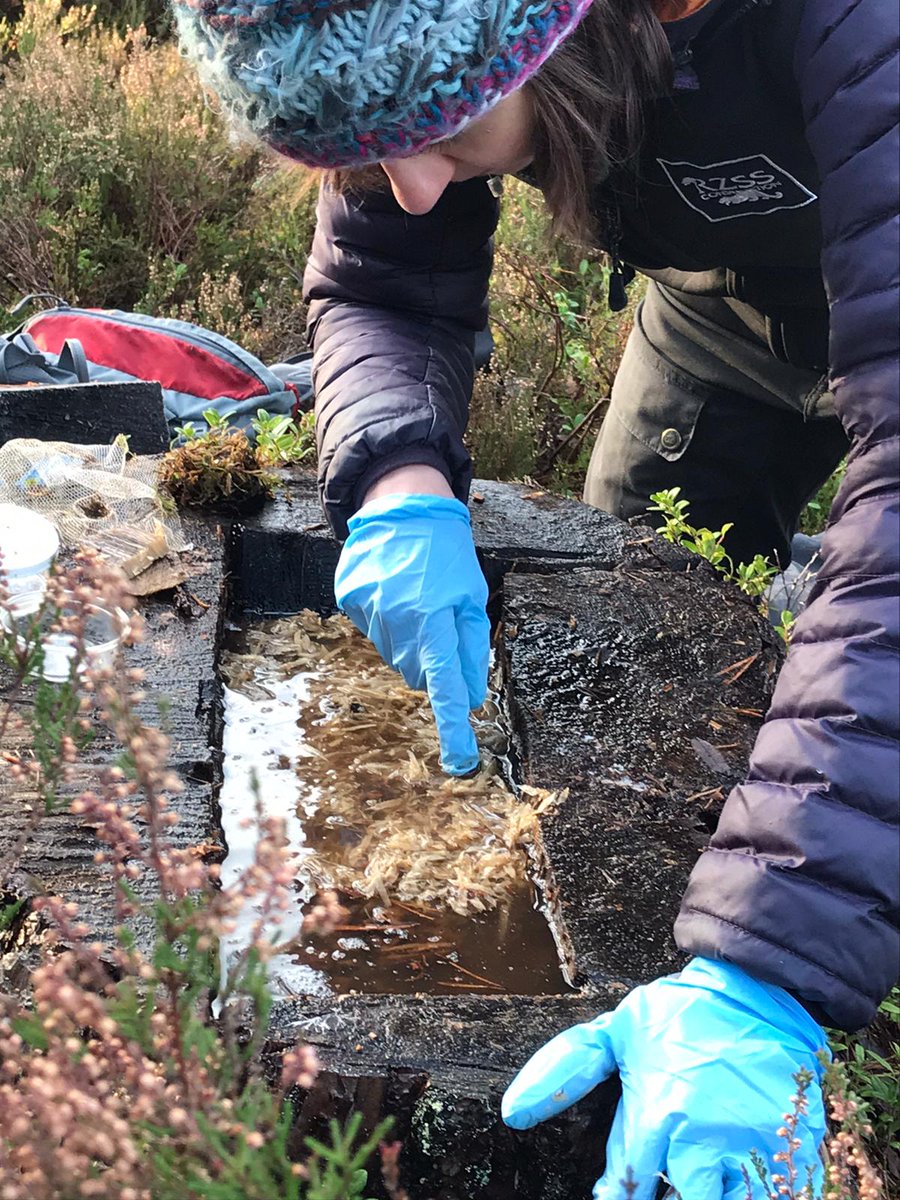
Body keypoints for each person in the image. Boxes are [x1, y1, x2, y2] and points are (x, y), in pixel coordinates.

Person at [174, 2, 899, 1196]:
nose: (408, 188)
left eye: (433, 127)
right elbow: (388, 282)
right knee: (652, 628)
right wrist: (400, 475)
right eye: (361, 152)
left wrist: (774, 959)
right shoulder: (418, 61)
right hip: (727, 314)